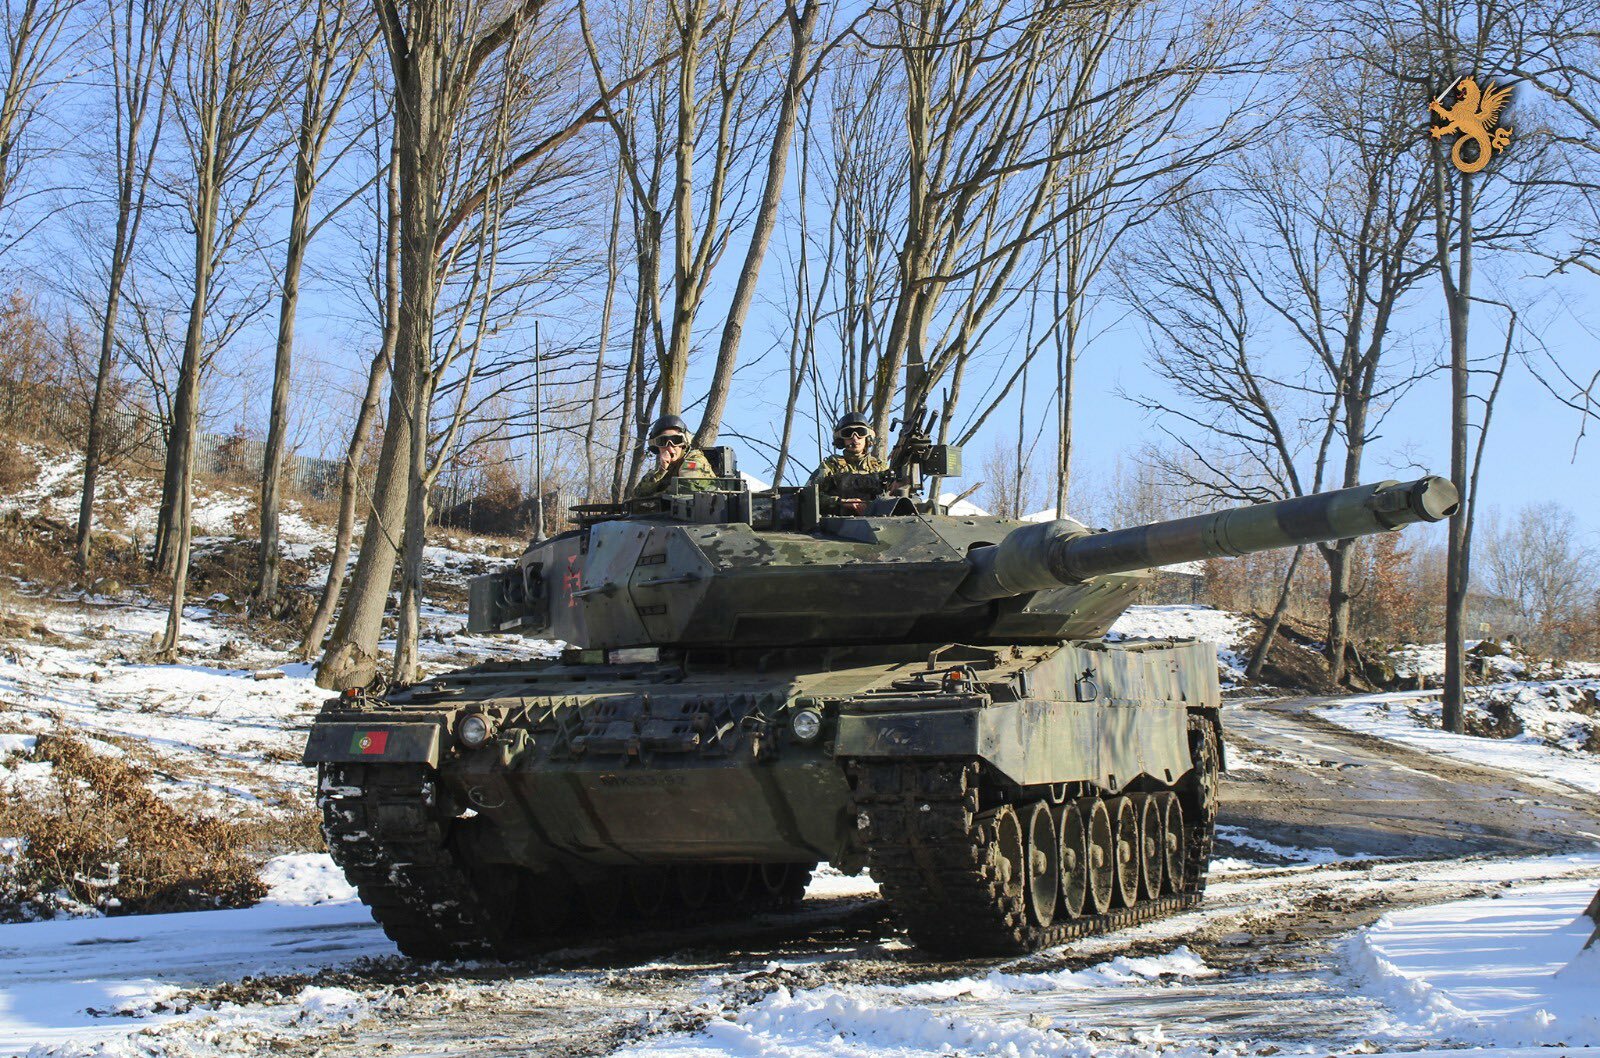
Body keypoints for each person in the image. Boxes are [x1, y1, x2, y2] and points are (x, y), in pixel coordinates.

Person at [808, 411, 890, 514]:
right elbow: (809, 496)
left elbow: (893, 496)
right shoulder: (831, 466)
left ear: (868, 437)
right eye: (848, 434)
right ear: (841, 440)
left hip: (878, 521)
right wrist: (840, 502)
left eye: (860, 432)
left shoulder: (880, 468)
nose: (855, 438)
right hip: (838, 522)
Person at [631, 414, 718, 498]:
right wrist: (661, 471)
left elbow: (686, 489)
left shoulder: (695, 461)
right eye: (662, 442)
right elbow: (638, 494)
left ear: (684, 442)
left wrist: (653, 498)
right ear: (656, 446)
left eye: (676, 440)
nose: (670, 447)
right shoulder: (665, 468)